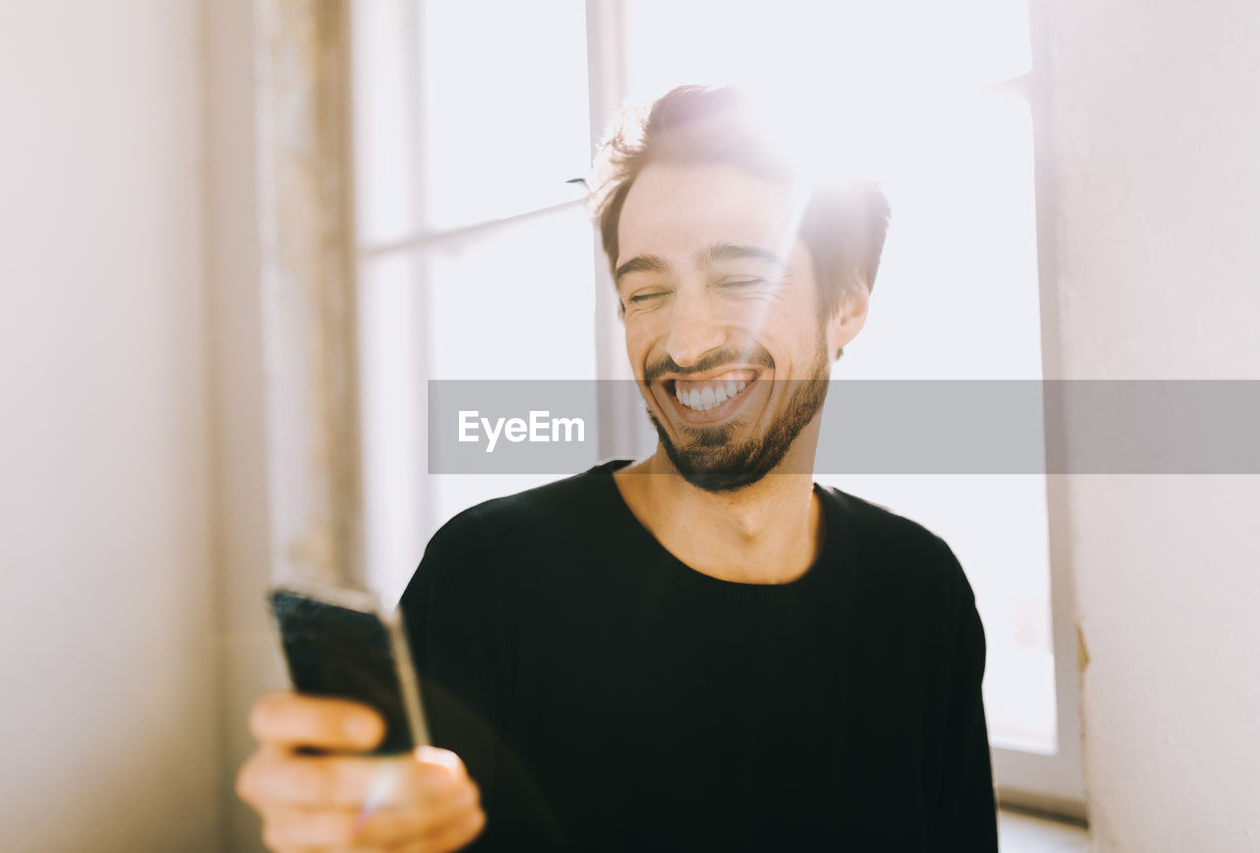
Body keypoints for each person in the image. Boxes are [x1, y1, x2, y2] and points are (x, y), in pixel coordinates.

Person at [237, 85, 998, 852]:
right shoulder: (490, 576)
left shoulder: (923, 593)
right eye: (646, 291)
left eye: (740, 278)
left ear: (848, 307)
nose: (686, 342)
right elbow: (392, 820)